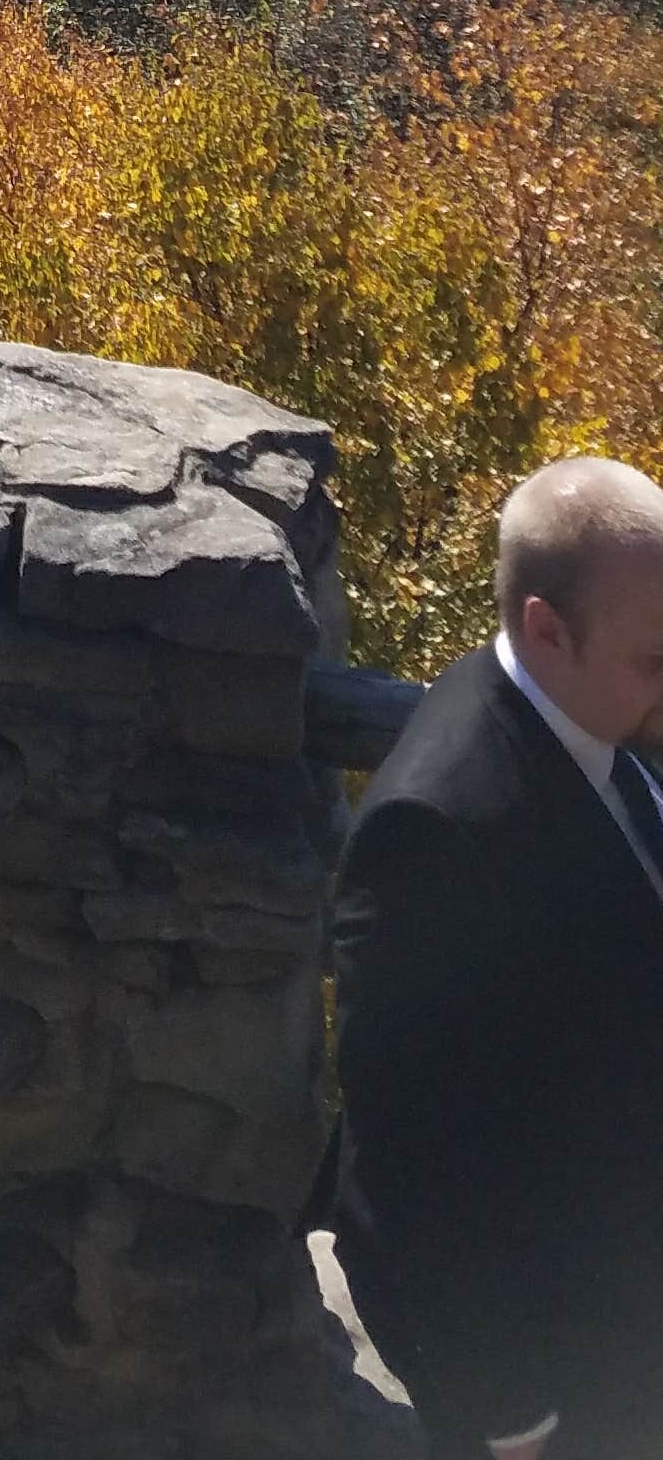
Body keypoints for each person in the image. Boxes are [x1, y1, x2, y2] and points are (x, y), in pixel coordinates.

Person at [338, 454, 663, 1459]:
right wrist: (509, 1416)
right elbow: (408, 1172)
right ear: (542, 629)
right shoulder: (432, 832)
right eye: (654, 658)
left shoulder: (597, 707)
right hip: (559, 1370)